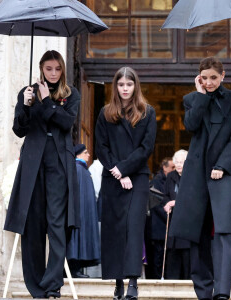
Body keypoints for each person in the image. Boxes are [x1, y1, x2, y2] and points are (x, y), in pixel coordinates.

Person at [4, 50, 80, 299]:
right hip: (33, 162)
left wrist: (47, 101)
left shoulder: (71, 94)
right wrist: (26, 105)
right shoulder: (28, 93)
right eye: (49, 69)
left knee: (57, 223)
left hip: (58, 163)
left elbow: (66, 123)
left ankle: (53, 285)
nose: (54, 73)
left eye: (58, 69)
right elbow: (19, 129)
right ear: (41, 69)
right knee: (33, 223)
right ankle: (36, 286)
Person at [169, 56, 231, 300]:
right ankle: (203, 290)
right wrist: (200, 94)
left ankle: (222, 292)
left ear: (223, 76)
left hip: (226, 172)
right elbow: (190, 125)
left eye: (214, 77)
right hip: (197, 173)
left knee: (223, 232)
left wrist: (222, 165)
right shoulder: (192, 99)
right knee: (196, 231)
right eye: (205, 78)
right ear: (199, 78)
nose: (210, 82)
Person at [95, 66, 157, 300]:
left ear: (135, 86)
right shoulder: (105, 113)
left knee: (133, 230)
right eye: (121, 85)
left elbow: (146, 147)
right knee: (114, 231)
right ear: (115, 86)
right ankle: (118, 282)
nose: (125, 89)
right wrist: (118, 172)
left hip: (137, 178)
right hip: (113, 179)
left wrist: (125, 168)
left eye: (129, 85)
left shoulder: (147, 112)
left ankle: (133, 282)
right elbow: (101, 147)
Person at [66, 144, 101, 278]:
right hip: (79, 214)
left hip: (85, 214)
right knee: (76, 239)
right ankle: (73, 269)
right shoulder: (78, 169)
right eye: (86, 152)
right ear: (78, 154)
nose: (89, 155)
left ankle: (77, 268)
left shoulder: (83, 170)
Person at [162, 149, 190, 279]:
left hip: (188, 220)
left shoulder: (192, 175)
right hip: (173, 220)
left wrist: (175, 202)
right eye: (177, 162)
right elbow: (166, 195)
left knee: (186, 252)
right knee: (173, 251)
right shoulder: (170, 176)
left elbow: (193, 197)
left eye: (182, 162)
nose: (179, 164)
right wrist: (167, 204)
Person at [146, 157, 174, 279]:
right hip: (158, 225)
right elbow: (156, 204)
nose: (173, 169)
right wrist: (169, 216)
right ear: (164, 167)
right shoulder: (156, 182)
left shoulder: (169, 180)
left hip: (166, 224)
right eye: (172, 167)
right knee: (158, 255)